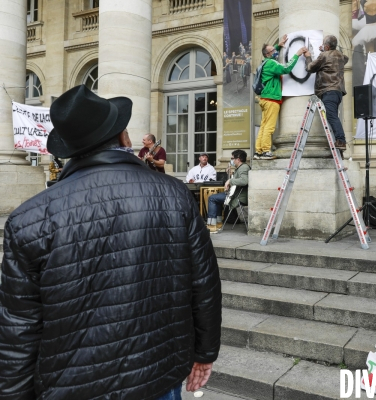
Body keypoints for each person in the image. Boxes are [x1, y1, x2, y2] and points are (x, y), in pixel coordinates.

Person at [0, 85, 222, 399]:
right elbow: (204, 286)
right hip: (156, 373)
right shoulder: (173, 195)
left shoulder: (28, 219)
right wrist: (205, 352)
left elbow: (18, 327)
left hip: (71, 382)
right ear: (124, 138)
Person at [254, 35, 307, 160]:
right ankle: (266, 151)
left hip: (265, 99)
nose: (276, 52)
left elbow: (273, 53)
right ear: (268, 53)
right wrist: (297, 54)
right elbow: (286, 69)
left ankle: (259, 151)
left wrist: (279, 44)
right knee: (269, 127)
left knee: (263, 126)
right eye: (273, 50)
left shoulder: (265, 62)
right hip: (272, 99)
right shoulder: (271, 63)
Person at [304, 35, 350, 150]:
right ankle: (339, 140)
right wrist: (326, 50)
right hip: (338, 92)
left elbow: (310, 68)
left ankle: (341, 140)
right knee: (333, 115)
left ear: (327, 46)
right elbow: (345, 58)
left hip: (328, 90)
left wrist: (308, 57)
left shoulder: (324, 55)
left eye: (324, 44)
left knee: (331, 116)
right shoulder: (341, 56)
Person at [207, 149, 250, 229]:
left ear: (238, 159)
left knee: (212, 198)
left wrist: (230, 180)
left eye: (232, 158)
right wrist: (231, 175)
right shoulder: (240, 167)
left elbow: (244, 181)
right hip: (235, 195)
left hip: (237, 197)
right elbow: (237, 182)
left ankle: (211, 225)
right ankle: (218, 223)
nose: (231, 160)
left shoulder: (244, 167)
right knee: (216, 199)